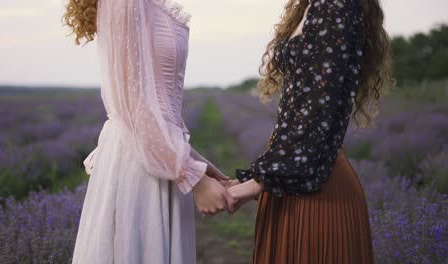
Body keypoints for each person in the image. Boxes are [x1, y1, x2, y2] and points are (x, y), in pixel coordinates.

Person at [62, 0, 235, 263]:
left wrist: (192, 160)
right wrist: (193, 177)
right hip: (139, 163)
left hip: (160, 157)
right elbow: (133, 107)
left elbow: (157, 111)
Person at [227, 0, 394, 263]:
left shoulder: (335, 6)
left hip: (317, 187)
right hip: (292, 177)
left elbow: (317, 111)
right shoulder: (313, 5)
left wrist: (258, 183)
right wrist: (256, 177)